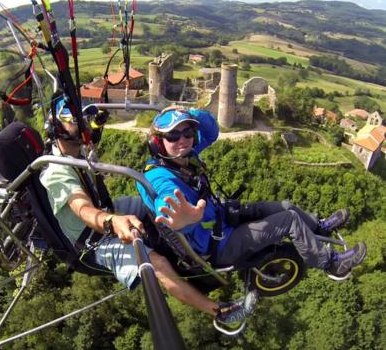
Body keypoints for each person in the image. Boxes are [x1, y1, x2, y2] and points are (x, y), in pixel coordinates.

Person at [137, 107, 367, 325]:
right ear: (158, 143)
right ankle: (330, 263)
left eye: (187, 132)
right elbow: (166, 200)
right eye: (173, 136)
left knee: (285, 206)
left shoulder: (184, 157)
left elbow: (211, 131)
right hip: (219, 245)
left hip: (221, 217)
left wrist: (186, 113)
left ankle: (320, 227)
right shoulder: (160, 176)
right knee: (288, 220)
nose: (182, 140)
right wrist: (181, 220)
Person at [39, 97, 241, 322]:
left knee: (152, 200)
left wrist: (180, 111)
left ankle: (190, 237)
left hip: (108, 208)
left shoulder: (74, 151)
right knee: (158, 264)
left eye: (86, 119)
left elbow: (209, 132)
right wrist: (112, 222)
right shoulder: (57, 171)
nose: (85, 125)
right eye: (75, 121)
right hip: (93, 239)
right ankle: (220, 312)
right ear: (58, 127)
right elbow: (82, 208)